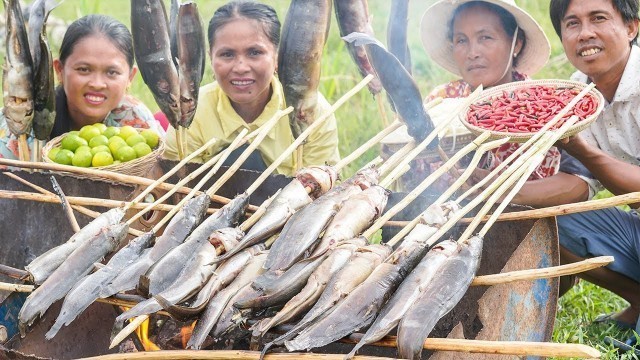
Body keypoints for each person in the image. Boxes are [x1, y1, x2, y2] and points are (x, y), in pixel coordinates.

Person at [544, 0, 640, 338]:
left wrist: (584, 151)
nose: (585, 33)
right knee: (550, 218)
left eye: (598, 18)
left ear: (632, 27)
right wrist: (489, 188)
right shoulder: (576, 94)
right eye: (572, 24)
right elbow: (579, 183)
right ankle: (638, 299)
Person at [162, 1, 340, 176]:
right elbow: (178, 188)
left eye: (254, 52)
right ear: (210, 58)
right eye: (227, 54)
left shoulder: (310, 115)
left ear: (277, 57)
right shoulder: (190, 113)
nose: (240, 67)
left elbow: (321, 190)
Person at [420, 0, 562, 181]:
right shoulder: (440, 100)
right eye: (461, 40)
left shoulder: (542, 108)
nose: (472, 53)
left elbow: (541, 183)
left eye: (485, 37)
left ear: (516, 43)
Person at [0, 14, 165, 161]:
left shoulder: (137, 122)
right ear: (59, 70)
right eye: (84, 69)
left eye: (112, 72)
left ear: (130, 77)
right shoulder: (20, 124)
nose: (97, 83)